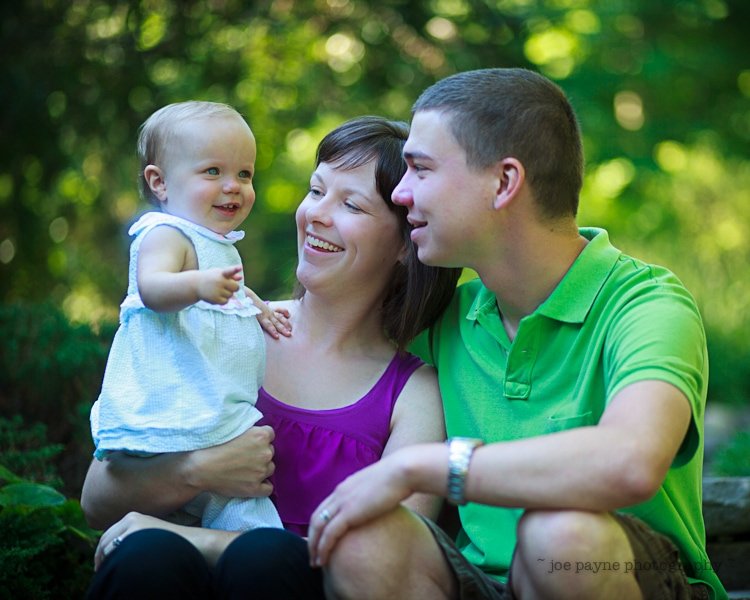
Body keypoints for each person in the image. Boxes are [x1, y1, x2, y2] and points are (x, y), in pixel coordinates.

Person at [307, 68, 726, 599]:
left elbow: (631, 461)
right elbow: (327, 345)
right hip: (482, 582)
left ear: (504, 182)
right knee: (365, 537)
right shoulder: (446, 319)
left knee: (561, 536)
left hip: (616, 576)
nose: (403, 194)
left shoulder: (646, 306)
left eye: (420, 170)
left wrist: (420, 467)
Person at [81, 116, 462, 598]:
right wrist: (198, 471)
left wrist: (200, 539)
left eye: (351, 204)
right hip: (173, 580)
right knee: (148, 557)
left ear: (406, 243)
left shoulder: (413, 393)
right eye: (316, 190)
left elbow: (395, 563)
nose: (316, 215)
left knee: (262, 560)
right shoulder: (217, 321)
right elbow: (96, 499)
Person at [90, 100, 293, 532]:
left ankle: (242, 548)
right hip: (169, 408)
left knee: (233, 508)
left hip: (206, 414)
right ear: (159, 182)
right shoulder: (166, 234)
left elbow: (233, 287)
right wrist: (198, 285)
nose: (233, 186)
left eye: (244, 174)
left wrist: (259, 308)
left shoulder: (214, 242)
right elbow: (152, 287)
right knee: (223, 508)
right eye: (212, 172)